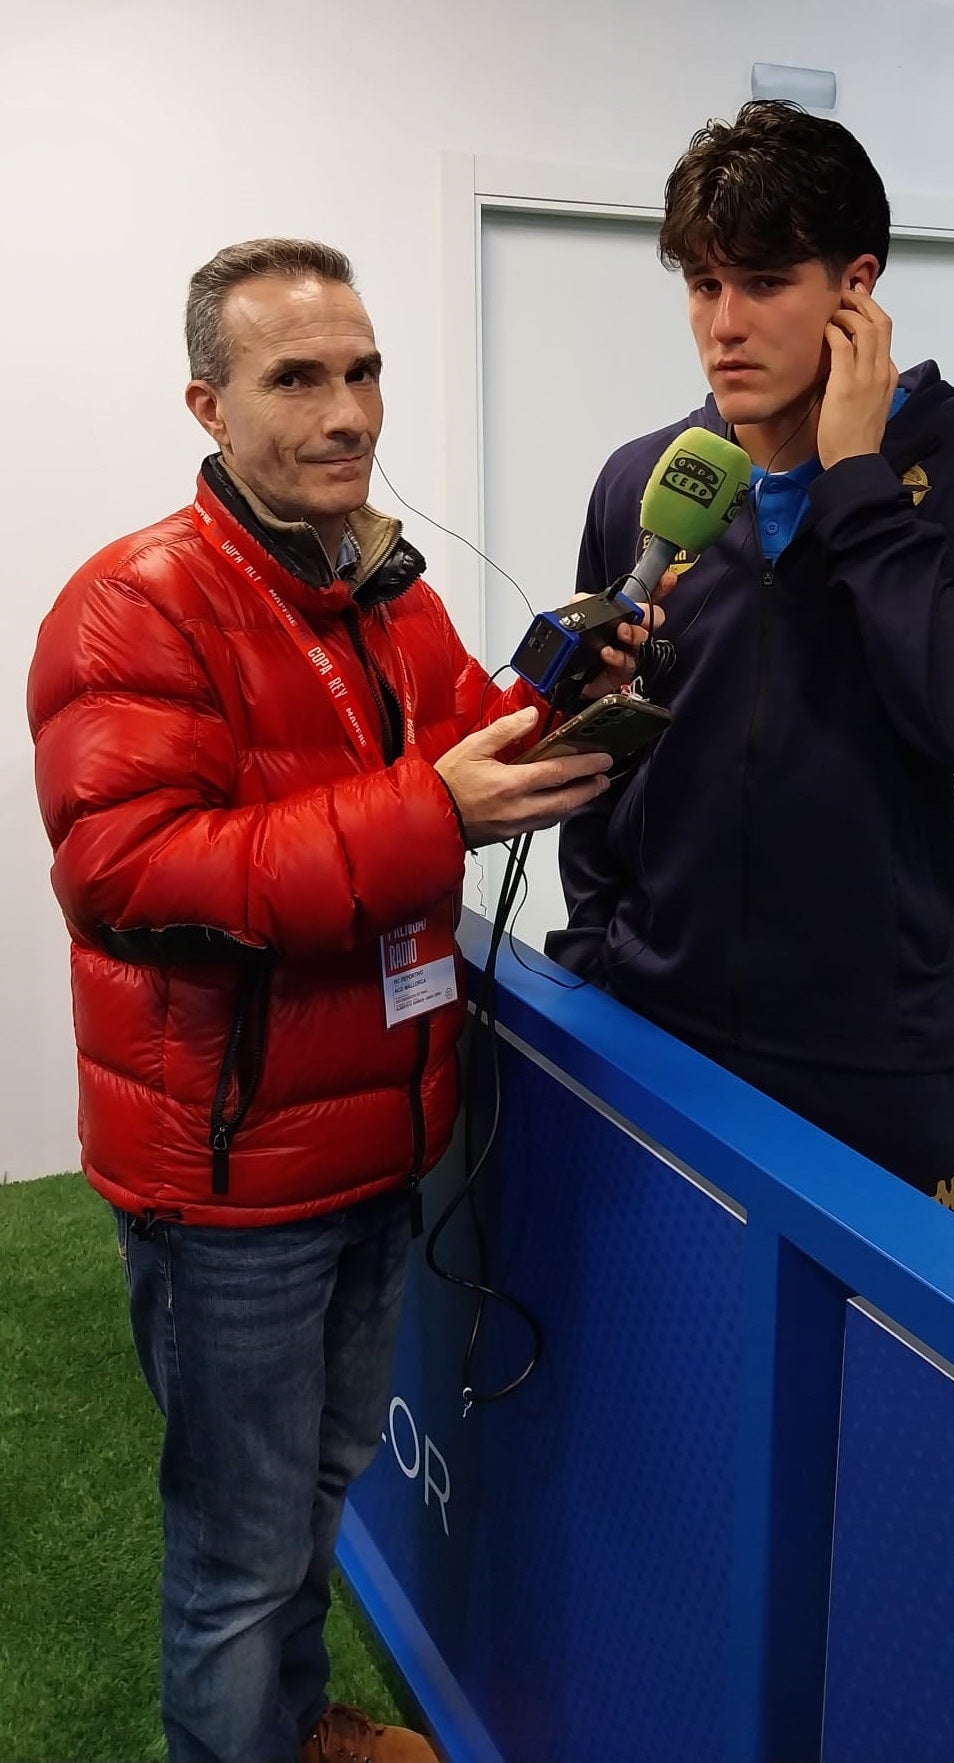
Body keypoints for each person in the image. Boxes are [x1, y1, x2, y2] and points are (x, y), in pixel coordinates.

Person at [26, 238, 657, 1763]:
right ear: (209, 404)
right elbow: (132, 867)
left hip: (380, 1136)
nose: (347, 410)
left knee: (317, 1486)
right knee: (238, 1557)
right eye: (296, 378)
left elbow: (453, 743)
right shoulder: (132, 605)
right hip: (230, 1180)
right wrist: (432, 814)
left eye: (361, 370)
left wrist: (561, 696)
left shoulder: (380, 588)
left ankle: (295, 1732)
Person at [547, 101, 954, 1220]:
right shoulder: (645, 477)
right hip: (652, 1024)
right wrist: (593, 946)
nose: (723, 323)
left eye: (764, 282)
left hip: (872, 1055)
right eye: (700, 284)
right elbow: (600, 730)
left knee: (875, 1397)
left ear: (852, 290)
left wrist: (858, 482)